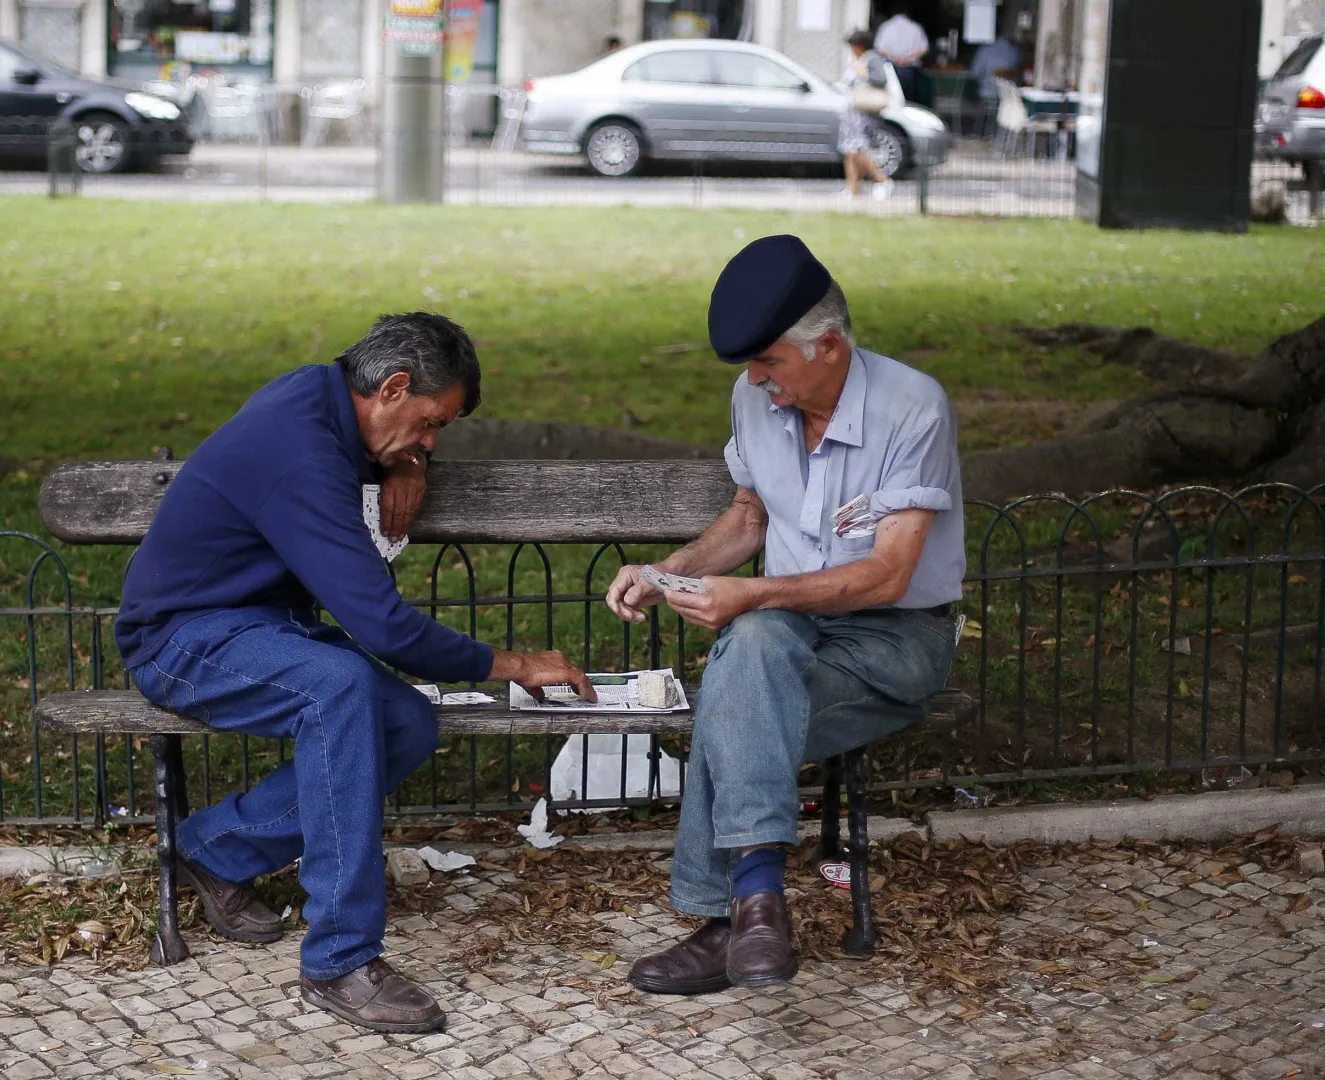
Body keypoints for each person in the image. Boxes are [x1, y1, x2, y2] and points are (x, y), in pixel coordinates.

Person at [115, 312, 595, 1034]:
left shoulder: (325, 396)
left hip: (258, 624)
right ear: (393, 386)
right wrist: (514, 664)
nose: (432, 440)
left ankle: (214, 851)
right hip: (180, 639)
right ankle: (340, 959)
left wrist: (407, 461)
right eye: (432, 424)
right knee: (336, 687)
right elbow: (383, 627)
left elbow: (379, 443)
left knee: (405, 721)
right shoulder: (298, 452)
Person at [606, 235, 963, 996]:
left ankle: (724, 922)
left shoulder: (913, 408)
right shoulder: (758, 399)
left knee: (735, 698)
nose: (755, 379)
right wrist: (664, 574)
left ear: (828, 346)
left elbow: (886, 574)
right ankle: (759, 908)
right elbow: (748, 521)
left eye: (769, 361)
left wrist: (753, 594)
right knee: (756, 649)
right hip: (788, 632)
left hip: (895, 638)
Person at [836, 31, 893, 201]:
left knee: (857, 149)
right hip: (853, 110)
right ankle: (852, 188)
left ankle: (882, 180)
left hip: (863, 111)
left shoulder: (871, 58)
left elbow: (881, 79)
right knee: (850, 150)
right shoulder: (858, 59)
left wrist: (863, 74)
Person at [873, 8, 929, 105]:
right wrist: (907, 59)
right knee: (909, 101)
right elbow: (923, 49)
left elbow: (880, 48)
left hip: (891, 67)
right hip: (909, 69)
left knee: (891, 98)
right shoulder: (916, 27)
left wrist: (896, 59)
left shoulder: (886, 26)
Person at [969, 35, 1020, 136]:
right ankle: (995, 131)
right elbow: (1016, 69)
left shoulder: (985, 50)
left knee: (983, 102)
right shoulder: (1013, 51)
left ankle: (979, 131)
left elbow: (975, 72)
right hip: (1007, 95)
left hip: (988, 92)